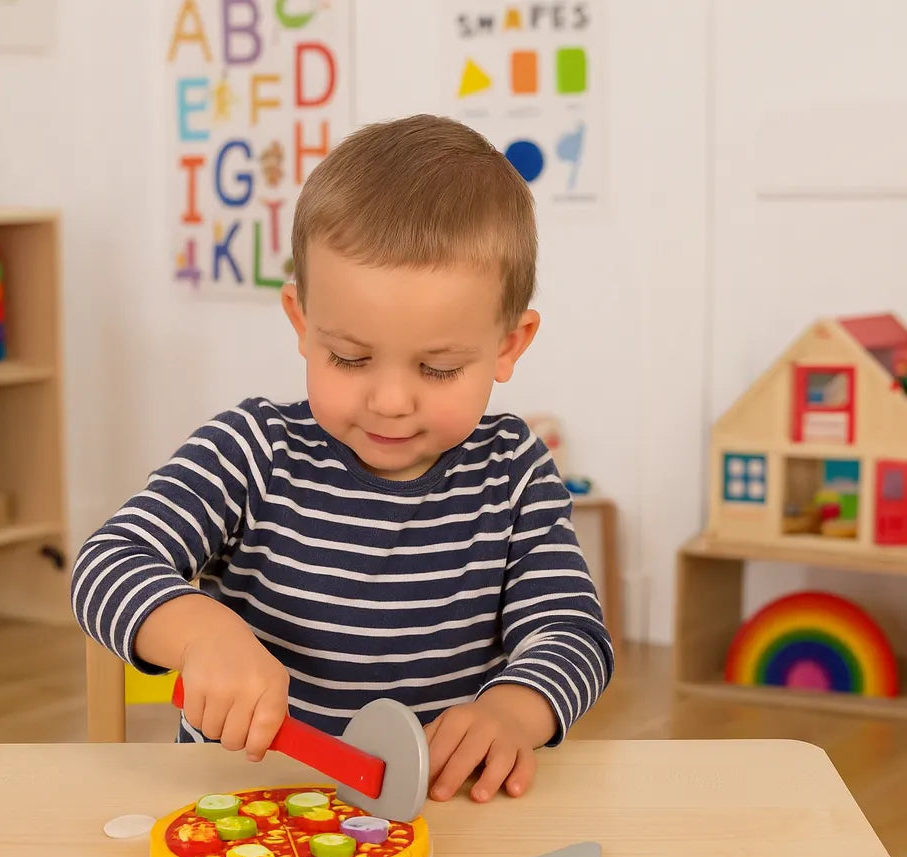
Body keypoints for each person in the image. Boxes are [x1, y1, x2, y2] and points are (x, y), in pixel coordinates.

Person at [71, 113, 614, 805]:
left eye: (439, 368)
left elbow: (571, 630)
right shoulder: (253, 450)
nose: (389, 400)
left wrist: (514, 710)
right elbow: (107, 562)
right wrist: (199, 631)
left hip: (435, 819)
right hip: (250, 813)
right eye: (349, 358)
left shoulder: (514, 474)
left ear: (509, 345)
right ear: (302, 322)